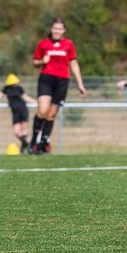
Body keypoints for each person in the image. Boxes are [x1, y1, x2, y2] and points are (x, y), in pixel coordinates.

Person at [31, 17, 88, 154]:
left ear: (64, 30)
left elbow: (73, 64)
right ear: (51, 29)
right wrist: (41, 61)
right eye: (55, 28)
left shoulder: (69, 44)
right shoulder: (43, 43)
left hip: (62, 81)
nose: (57, 31)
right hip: (46, 79)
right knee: (43, 110)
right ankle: (33, 141)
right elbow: (35, 61)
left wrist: (80, 84)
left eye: (60, 29)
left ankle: (44, 143)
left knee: (51, 115)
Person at [0, 74, 33, 153]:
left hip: (23, 110)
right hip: (15, 112)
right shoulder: (6, 89)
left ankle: (23, 149)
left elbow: (26, 98)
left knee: (24, 131)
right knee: (16, 132)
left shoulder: (19, 88)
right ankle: (27, 145)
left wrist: (38, 102)